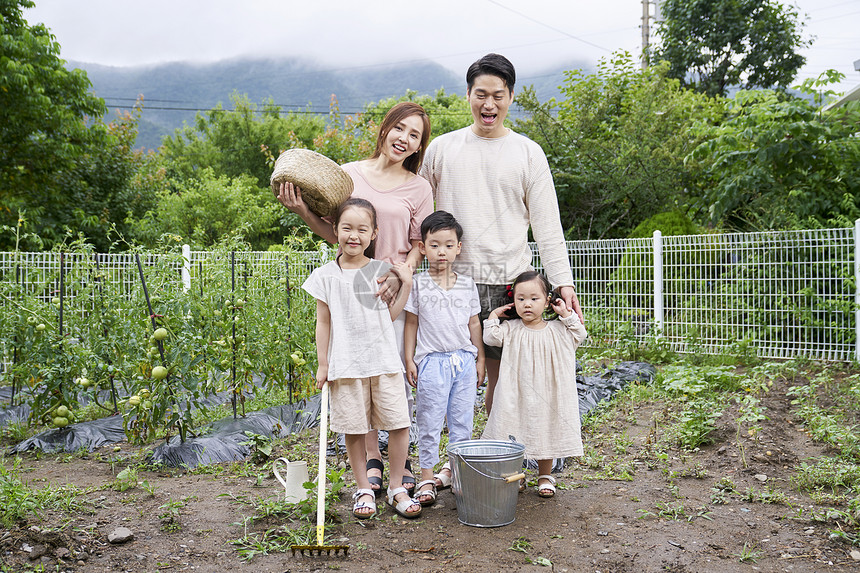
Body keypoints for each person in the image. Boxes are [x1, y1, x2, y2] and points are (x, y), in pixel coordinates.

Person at [278, 102, 433, 496]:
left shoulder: (419, 187)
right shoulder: (348, 174)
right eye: (400, 129)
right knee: (360, 371)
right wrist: (302, 213)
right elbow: (339, 233)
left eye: (414, 135)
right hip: (356, 285)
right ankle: (372, 460)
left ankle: (401, 461)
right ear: (385, 130)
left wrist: (404, 273)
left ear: (419, 146)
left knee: (391, 374)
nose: (404, 139)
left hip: (391, 286)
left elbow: (418, 244)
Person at [418, 53, 583, 416]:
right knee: (450, 379)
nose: (488, 104)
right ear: (468, 95)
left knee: (504, 381)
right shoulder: (442, 149)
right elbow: (413, 206)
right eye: (481, 94)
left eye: (498, 95)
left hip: (509, 285)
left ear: (511, 97)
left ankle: (497, 459)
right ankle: (455, 461)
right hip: (451, 282)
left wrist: (563, 283)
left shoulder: (528, 152)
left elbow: (547, 225)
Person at [301, 198, 422, 519]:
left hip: (384, 361)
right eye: (346, 228)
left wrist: (406, 286)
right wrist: (323, 363)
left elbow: (389, 316)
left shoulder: (382, 271)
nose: (353, 235)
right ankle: (364, 489)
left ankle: (397, 487)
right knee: (353, 428)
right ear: (335, 230)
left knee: (398, 423)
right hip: (346, 365)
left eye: (362, 229)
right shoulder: (325, 275)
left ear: (374, 234)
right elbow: (323, 321)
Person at [402, 211, 484, 507]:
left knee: (462, 420)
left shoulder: (467, 284)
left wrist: (480, 359)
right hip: (432, 362)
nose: (442, 252)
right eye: (435, 245)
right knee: (429, 419)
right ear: (422, 247)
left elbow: (474, 324)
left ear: (458, 247)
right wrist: (410, 359)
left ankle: (456, 472)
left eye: (449, 245)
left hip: (463, 361)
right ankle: (426, 476)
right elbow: (411, 323)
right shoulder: (419, 284)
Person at [480, 271, 587, 497]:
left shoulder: (558, 330)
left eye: (534, 298)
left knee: (544, 428)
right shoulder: (510, 329)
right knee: (513, 428)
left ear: (548, 300)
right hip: (514, 393)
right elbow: (490, 338)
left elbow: (580, 334)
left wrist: (566, 314)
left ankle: (545, 475)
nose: (527, 304)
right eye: (521, 299)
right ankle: (515, 472)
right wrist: (493, 316)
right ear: (513, 301)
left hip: (547, 393)